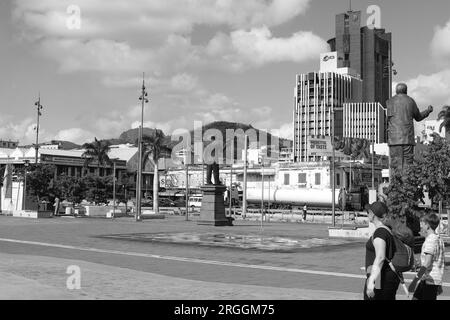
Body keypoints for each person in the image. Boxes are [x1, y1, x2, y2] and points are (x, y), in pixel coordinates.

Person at [387, 83, 433, 172]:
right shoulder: (410, 101)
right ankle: (407, 185)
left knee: (395, 166)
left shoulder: (389, 102)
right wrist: (428, 111)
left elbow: (387, 120)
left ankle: (395, 185)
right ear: (406, 91)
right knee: (408, 166)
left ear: (396, 91)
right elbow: (418, 117)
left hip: (394, 140)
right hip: (407, 138)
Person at [364, 202, 400, 300]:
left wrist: (371, 282)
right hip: (387, 278)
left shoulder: (380, 232)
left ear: (373, 214)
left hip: (380, 279)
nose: (367, 214)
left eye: (368, 212)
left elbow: (380, 257)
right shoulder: (388, 230)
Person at [408, 213, 445, 300]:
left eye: (422, 223)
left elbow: (428, 262)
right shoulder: (439, 239)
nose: (421, 225)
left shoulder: (431, 240)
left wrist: (415, 280)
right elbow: (437, 261)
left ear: (427, 225)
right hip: (428, 279)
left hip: (430, 280)